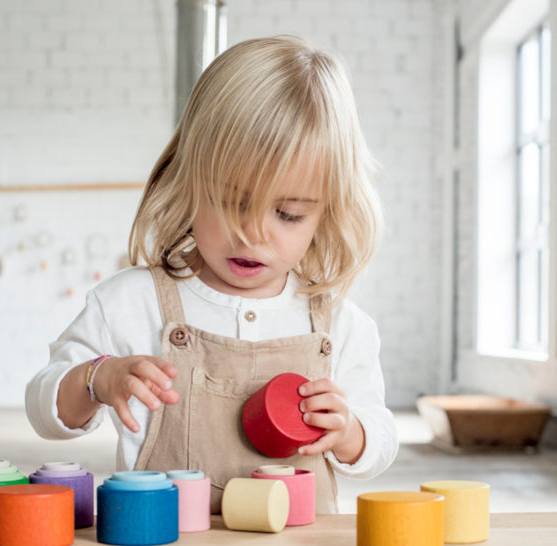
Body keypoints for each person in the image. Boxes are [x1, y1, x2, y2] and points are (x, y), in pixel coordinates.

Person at [26, 35, 398, 513]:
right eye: (231, 202)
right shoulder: (130, 304)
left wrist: (349, 433)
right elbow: (44, 411)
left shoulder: (340, 326)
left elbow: (381, 444)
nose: (252, 235)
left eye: (287, 214)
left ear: (327, 212)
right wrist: (96, 379)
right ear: (189, 180)